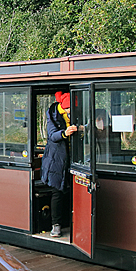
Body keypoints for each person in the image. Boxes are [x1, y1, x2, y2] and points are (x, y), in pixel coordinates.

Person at [41, 91, 79, 238]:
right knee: (57, 192)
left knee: (73, 191)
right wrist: (65, 133)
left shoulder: (77, 113)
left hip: (73, 158)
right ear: (63, 107)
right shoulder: (52, 115)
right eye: (68, 109)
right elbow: (52, 136)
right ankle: (55, 225)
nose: (70, 112)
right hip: (55, 159)